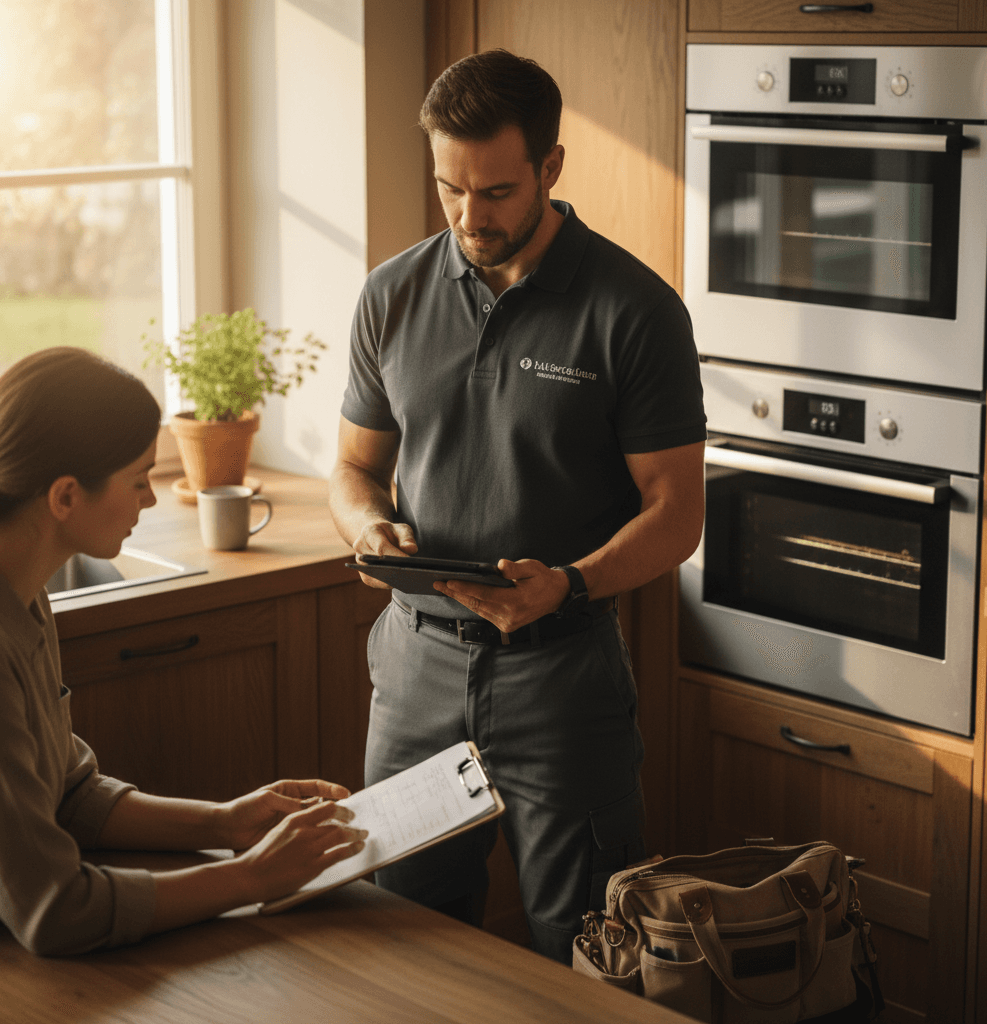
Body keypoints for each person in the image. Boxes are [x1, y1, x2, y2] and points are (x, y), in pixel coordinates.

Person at [329, 48, 705, 963]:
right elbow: (352, 466)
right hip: (414, 667)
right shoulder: (391, 294)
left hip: (561, 676)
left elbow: (677, 514)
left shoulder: (635, 311)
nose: (468, 216)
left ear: (551, 167)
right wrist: (368, 527)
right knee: (406, 946)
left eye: (494, 191)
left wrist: (568, 584)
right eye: (449, 189)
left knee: (588, 956)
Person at [0, 347, 367, 956]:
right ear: (65, 497)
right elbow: (56, 911)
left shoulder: (27, 593)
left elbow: (67, 792)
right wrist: (252, 877)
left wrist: (226, 823)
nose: (150, 498)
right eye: (139, 479)